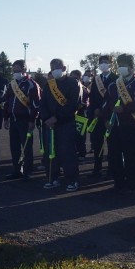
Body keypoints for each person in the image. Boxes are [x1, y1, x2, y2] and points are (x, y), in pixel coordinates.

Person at [104, 54, 135, 193]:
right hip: (115, 125)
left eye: (124, 65)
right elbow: (106, 103)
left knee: (131, 155)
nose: (121, 68)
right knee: (114, 155)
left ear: (131, 67)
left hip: (133, 125)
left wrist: (125, 108)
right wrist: (106, 119)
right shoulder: (113, 84)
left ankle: (131, 182)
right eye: (119, 65)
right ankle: (118, 181)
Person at [40, 58, 81, 191]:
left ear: (64, 68)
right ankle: (52, 178)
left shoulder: (73, 83)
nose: (55, 70)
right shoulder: (49, 84)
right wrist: (46, 118)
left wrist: (56, 118)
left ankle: (72, 180)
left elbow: (73, 105)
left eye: (58, 67)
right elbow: (43, 103)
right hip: (50, 124)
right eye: (52, 68)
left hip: (66, 123)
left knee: (67, 152)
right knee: (51, 152)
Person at [3, 60, 41, 180]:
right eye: (13, 70)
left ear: (24, 70)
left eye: (17, 70)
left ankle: (28, 172)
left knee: (26, 147)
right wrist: (5, 118)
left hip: (25, 121)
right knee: (14, 147)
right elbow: (7, 102)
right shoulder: (12, 84)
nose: (15, 72)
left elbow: (36, 105)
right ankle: (17, 170)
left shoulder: (32, 84)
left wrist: (32, 120)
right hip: (13, 120)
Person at [87, 55, 118, 177]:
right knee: (97, 142)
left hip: (110, 116)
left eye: (106, 62)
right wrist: (95, 109)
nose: (103, 65)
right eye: (101, 62)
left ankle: (111, 168)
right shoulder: (96, 79)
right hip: (98, 116)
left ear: (111, 64)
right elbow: (92, 97)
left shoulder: (116, 78)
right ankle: (97, 167)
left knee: (112, 144)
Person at [70, 69, 89, 162]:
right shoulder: (68, 88)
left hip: (81, 116)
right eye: (72, 78)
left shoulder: (84, 89)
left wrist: (80, 105)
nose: (74, 80)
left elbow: (86, 102)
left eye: (76, 78)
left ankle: (82, 153)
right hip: (69, 115)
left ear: (80, 78)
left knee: (81, 136)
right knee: (70, 137)